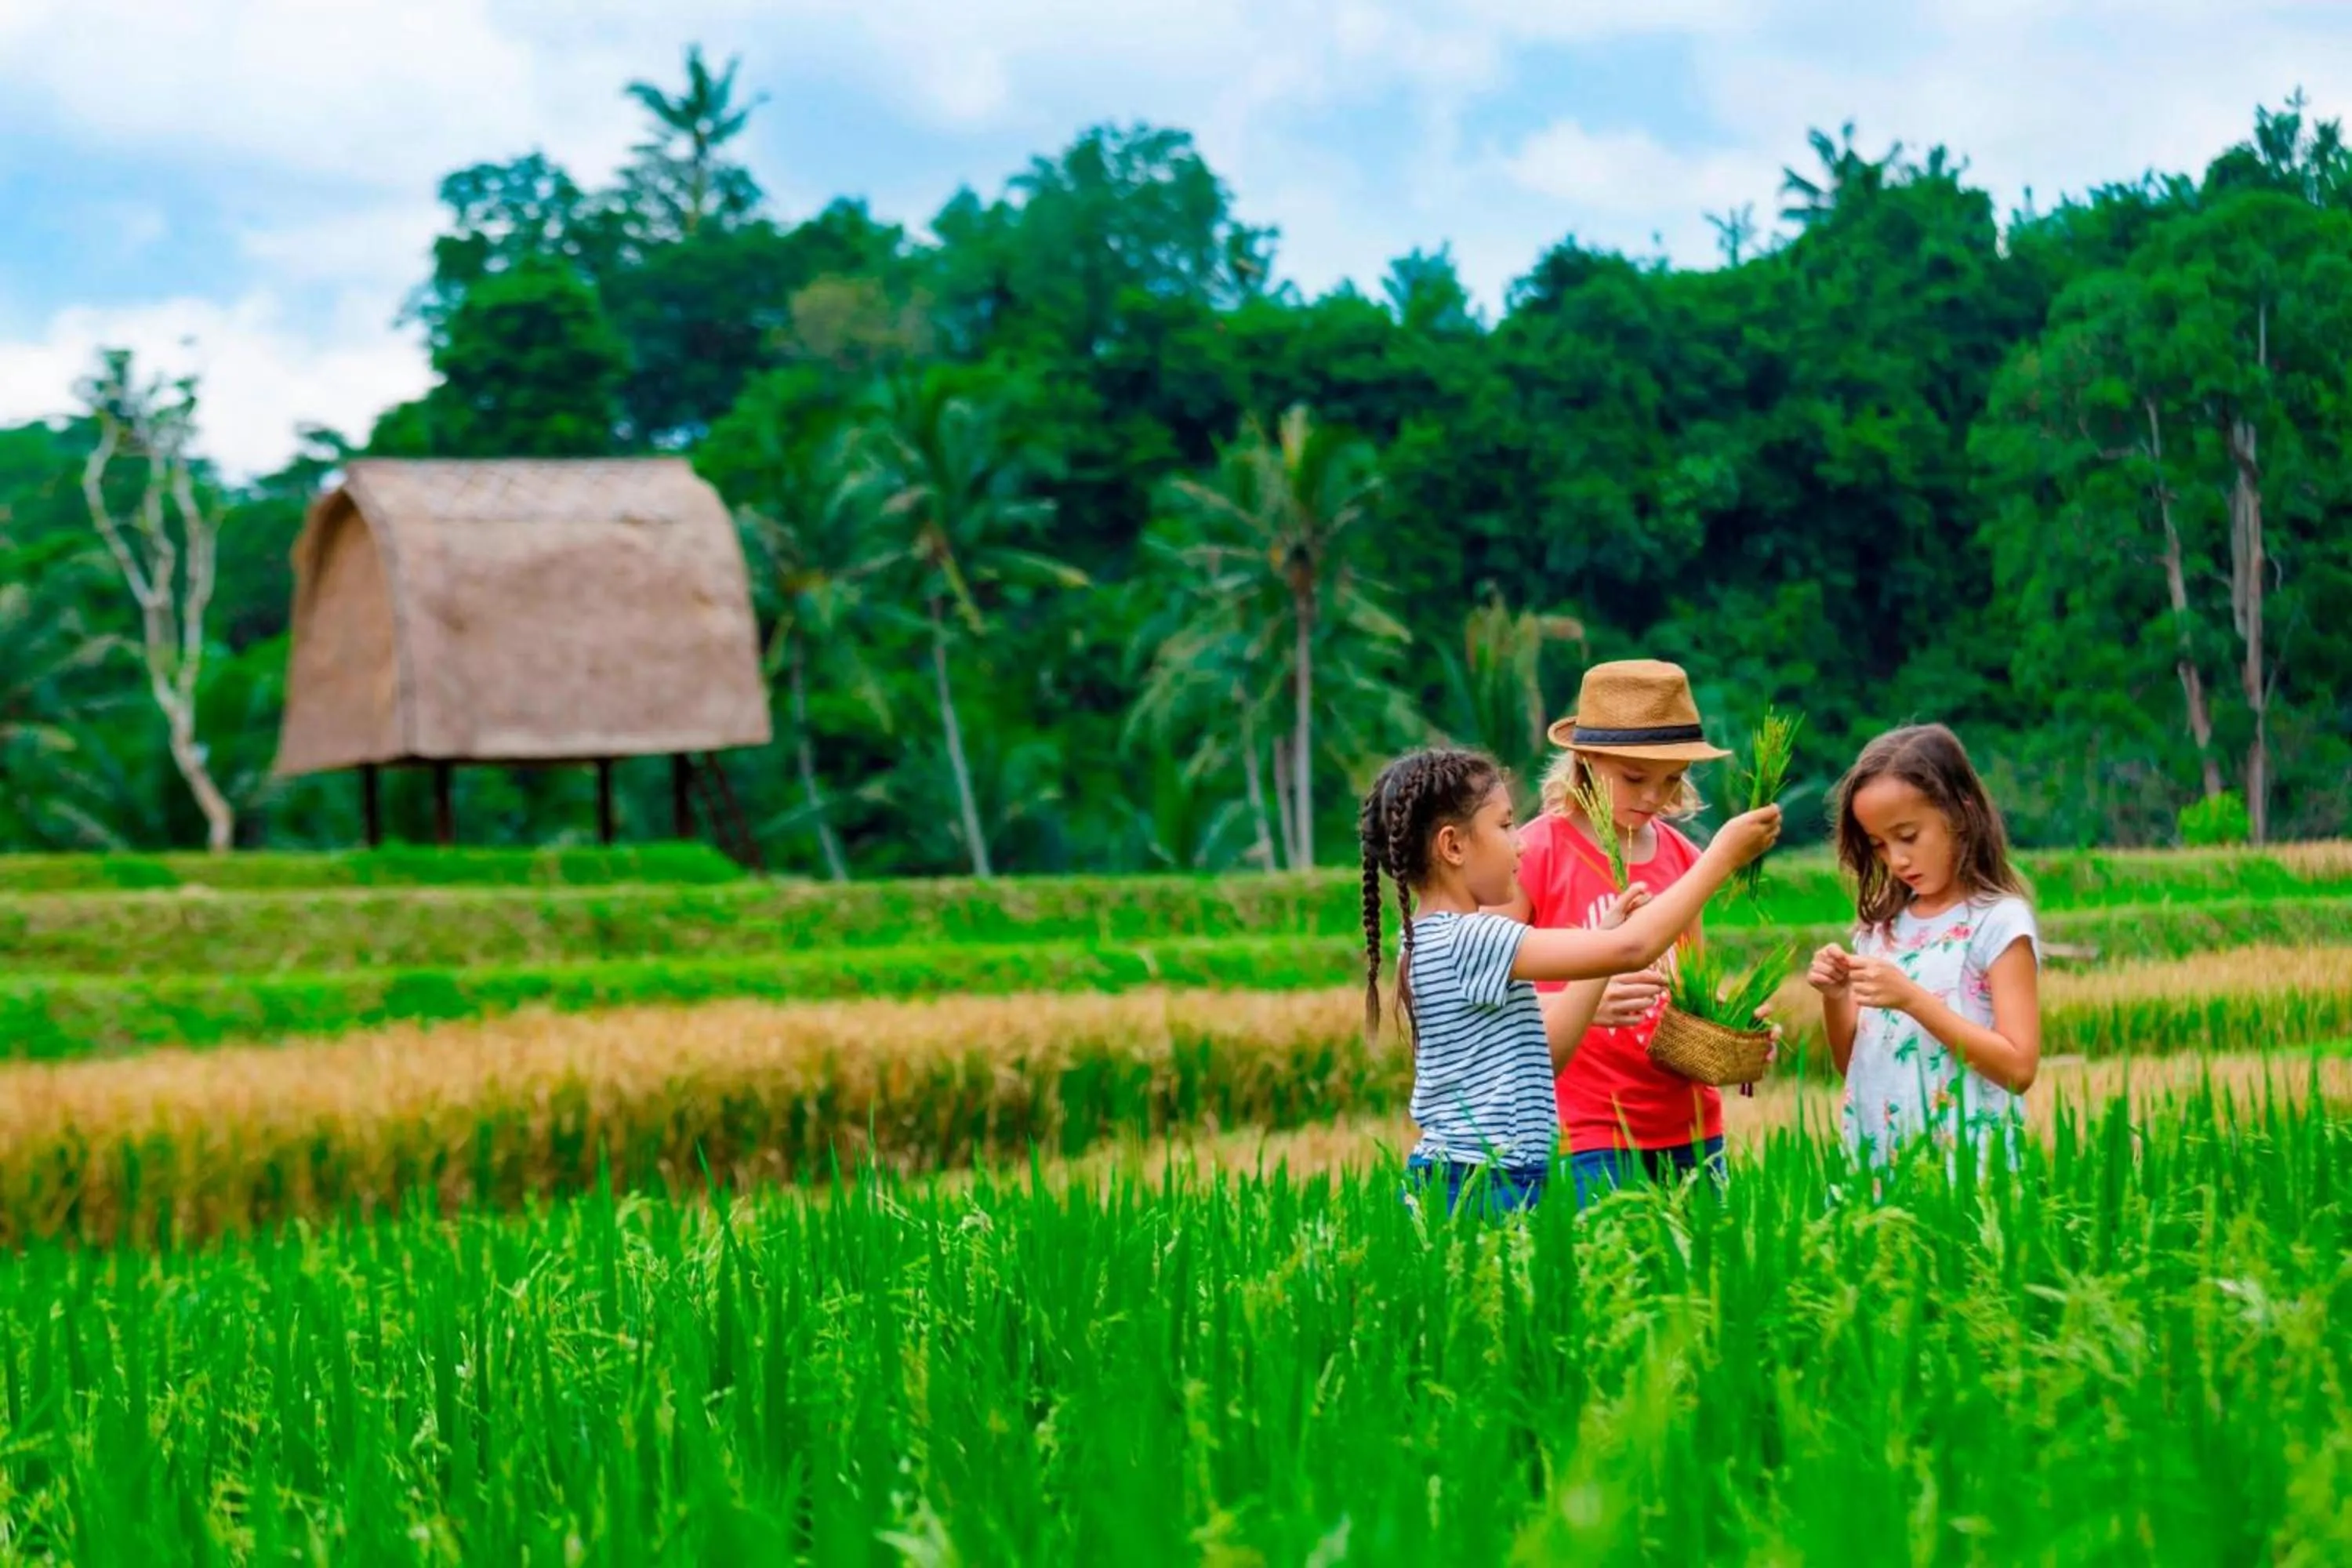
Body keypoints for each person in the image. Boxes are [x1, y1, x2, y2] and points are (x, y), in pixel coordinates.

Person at [1359, 745, 1782, 1217]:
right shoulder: (1474, 939)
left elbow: (1549, 1055)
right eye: (1503, 826)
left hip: (1500, 1172)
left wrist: (1602, 944)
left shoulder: (1436, 939)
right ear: (1453, 846)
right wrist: (1721, 858)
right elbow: (1633, 949)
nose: (1519, 842)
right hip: (1483, 1178)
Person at [1486, 659, 1755, 1208]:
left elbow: (1691, 989)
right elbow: (1488, 992)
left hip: (1692, 1127)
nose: (1654, 796)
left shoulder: (1685, 859)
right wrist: (1581, 1000)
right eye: (1635, 778)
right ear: (1585, 760)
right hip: (1586, 1128)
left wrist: (1732, 1024)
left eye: (1671, 780)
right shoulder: (1536, 854)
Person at [1806, 724, 2043, 1167]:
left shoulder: (1999, 922)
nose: (1896, 860)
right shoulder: (1880, 928)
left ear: (1960, 813)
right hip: (1879, 1164)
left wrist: (1912, 999)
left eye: (1908, 836)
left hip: (1967, 1166)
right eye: (1878, 845)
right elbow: (1854, 1066)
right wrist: (1836, 997)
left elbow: (2018, 1069)